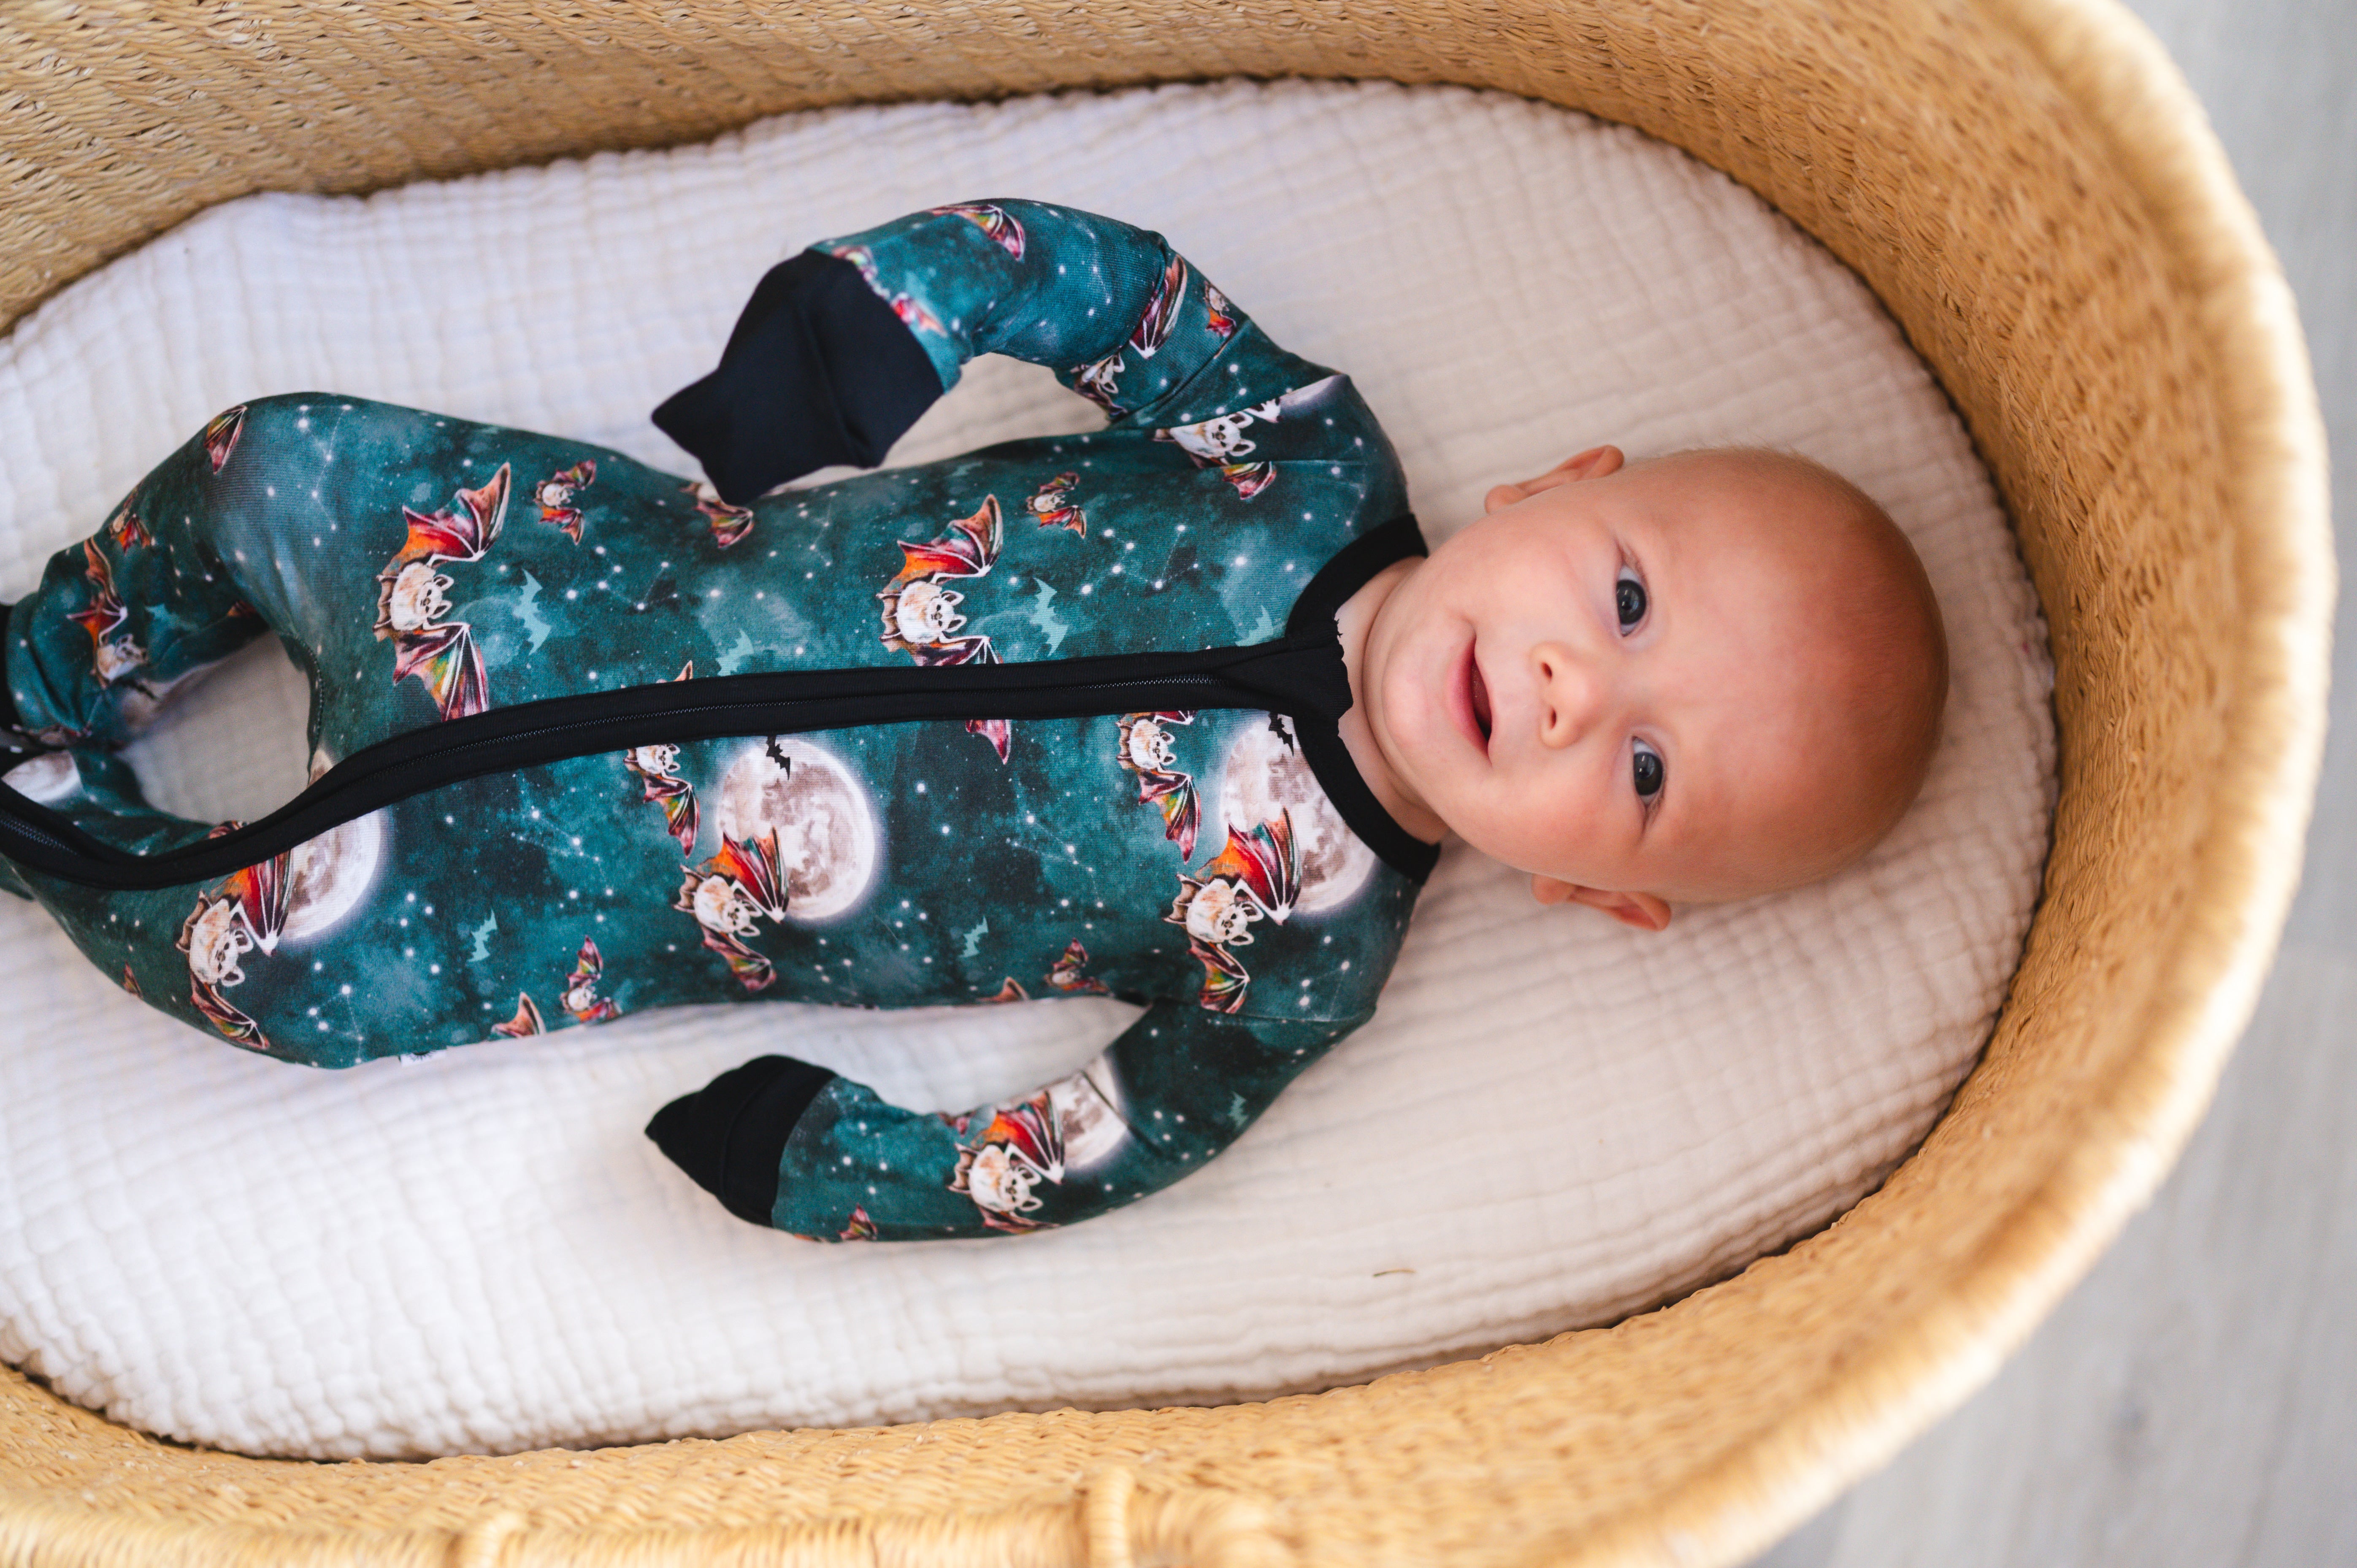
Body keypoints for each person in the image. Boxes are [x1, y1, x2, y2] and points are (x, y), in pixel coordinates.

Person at [0, 199, 1945, 1241]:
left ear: (1593, 892)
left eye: (1642, 767)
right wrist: (864, 336)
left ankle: (41, 824)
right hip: (549, 557)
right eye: (1623, 600)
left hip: (530, 896)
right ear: (1555, 485)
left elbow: (1105, 1139)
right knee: (274, 461)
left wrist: (840, 1164)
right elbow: (1095, 287)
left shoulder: (1309, 952)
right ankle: (41, 673)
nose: (1572, 686)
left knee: (259, 971)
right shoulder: (1291, 449)